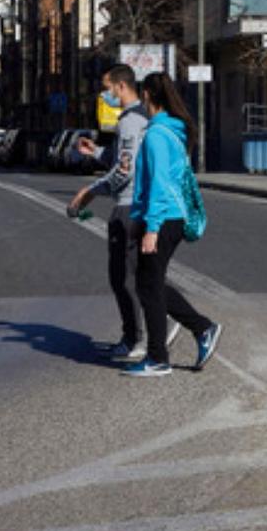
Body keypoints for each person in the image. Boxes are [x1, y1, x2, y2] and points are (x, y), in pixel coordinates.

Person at [67, 64, 178, 360]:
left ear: (120, 87)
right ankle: (155, 328)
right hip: (137, 204)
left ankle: (137, 338)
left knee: (123, 278)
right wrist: (99, 153)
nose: (105, 95)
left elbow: (124, 172)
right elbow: (123, 159)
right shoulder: (139, 118)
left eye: (107, 88)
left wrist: (91, 191)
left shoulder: (130, 121)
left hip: (128, 206)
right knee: (139, 274)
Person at [123, 71, 221, 378]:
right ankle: (201, 329)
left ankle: (158, 358)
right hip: (169, 217)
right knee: (148, 282)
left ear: (148, 96)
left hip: (164, 218)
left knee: (149, 287)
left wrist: (151, 227)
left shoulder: (156, 135)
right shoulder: (171, 132)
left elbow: (161, 185)